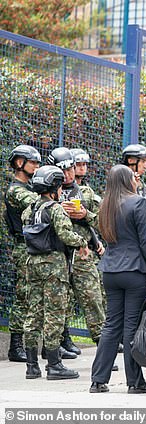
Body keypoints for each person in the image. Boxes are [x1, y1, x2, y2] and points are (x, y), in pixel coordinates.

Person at [90, 165, 146, 393]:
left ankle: (98, 380)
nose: (136, 178)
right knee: (131, 327)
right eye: (133, 176)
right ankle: (135, 382)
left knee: (111, 325)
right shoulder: (138, 202)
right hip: (134, 271)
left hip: (111, 271)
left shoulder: (105, 206)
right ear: (125, 180)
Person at [22, 165, 89, 380]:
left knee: (34, 312)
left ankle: (32, 366)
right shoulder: (55, 208)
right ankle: (54, 365)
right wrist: (82, 242)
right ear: (54, 187)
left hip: (32, 263)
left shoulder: (30, 208)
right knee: (54, 314)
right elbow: (66, 235)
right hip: (54, 266)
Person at [47, 147, 105, 351]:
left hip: (82, 255)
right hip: (55, 255)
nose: (68, 174)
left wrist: (84, 214)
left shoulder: (86, 193)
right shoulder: (46, 195)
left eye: (70, 168)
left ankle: (103, 345)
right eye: (62, 170)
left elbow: (104, 221)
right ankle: (60, 343)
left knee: (93, 299)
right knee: (60, 302)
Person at [4, 145, 41, 362]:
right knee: (24, 295)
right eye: (33, 162)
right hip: (23, 247)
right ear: (20, 163)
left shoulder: (30, 187)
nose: (36, 166)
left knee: (35, 296)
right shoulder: (16, 190)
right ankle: (15, 345)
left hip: (33, 247)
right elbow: (37, 204)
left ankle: (31, 343)